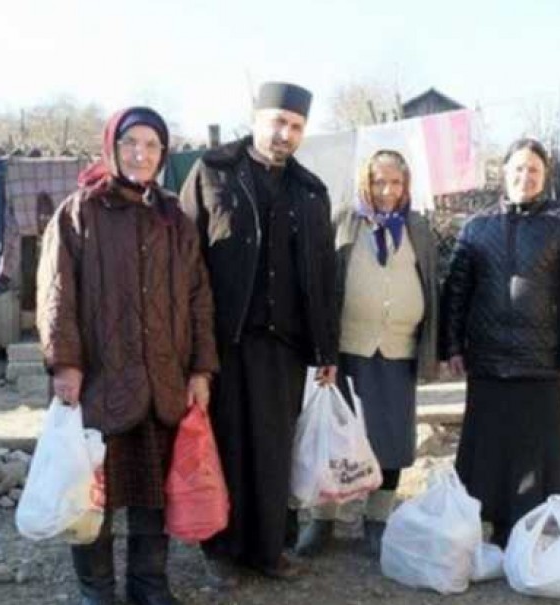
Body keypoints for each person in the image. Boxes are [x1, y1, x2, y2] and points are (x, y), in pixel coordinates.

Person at [37, 106, 218, 605]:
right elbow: (56, 293)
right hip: (99, 379)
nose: (141, 154)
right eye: (130, 143)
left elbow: (199, 298)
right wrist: (65, 363)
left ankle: (149, 586)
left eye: (152, 145)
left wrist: (201, 369)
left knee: (153, 494)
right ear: (111, 148)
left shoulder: (174, 219)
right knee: (92, 492)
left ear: (163, 154)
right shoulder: (79, 211)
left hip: (163, 380)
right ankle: (97, 591)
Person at [180, 81, 337, 583]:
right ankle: (221, 551)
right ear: (256, 119)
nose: (284, 134)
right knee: (225, 446)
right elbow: (184, 261)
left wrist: (326, 348)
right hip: (223, 341)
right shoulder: (213, 172)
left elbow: (323, 274)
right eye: (278, 122)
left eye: (295, 126)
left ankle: (268, 550)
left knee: (273, 451)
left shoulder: (311, 191)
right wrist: (190, 347)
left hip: (283, 346)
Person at [440, 138, 560, 547]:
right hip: (488, 361)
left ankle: (536, 531)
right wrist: (452, 346)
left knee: (537, 452)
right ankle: (492, 524)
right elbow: (456, 291)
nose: (524, 176)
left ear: (544, 176)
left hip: (544, 363)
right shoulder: (477, 227)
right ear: (504, 172)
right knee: (489, 449)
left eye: (533, 169)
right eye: (517, 168)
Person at [295, 149, 439, 557]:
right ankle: (323, 520)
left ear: (406, 186)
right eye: (378, 182)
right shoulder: (345, 221)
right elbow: (324, 281)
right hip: (347, 348)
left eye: (395, 182)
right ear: (365, 182)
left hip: (398, 348)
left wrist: (435, 346)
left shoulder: (418, 227)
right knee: (333, 434)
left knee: (393, 439)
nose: (387, 191)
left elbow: (433, 283)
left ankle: (377, 520)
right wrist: (321, 347)